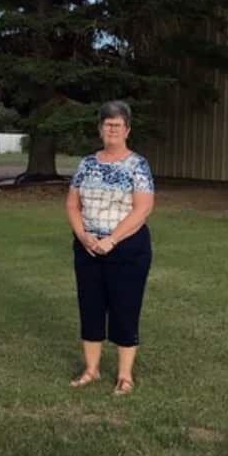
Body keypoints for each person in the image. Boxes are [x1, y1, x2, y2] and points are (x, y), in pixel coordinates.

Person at [65, 100, 154, 395]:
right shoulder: (87, 164)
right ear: (100, 129)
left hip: (127, 249)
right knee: (90, 306)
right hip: (88, 248)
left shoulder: (137, 165)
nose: (112, 129)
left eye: (117, 125)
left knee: (124, 307)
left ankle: (125, 376)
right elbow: (73, 204)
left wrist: (112, 239)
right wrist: (83, 235)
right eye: (107, 124)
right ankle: (91, 369)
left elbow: (142, 208)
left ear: (127, 130)